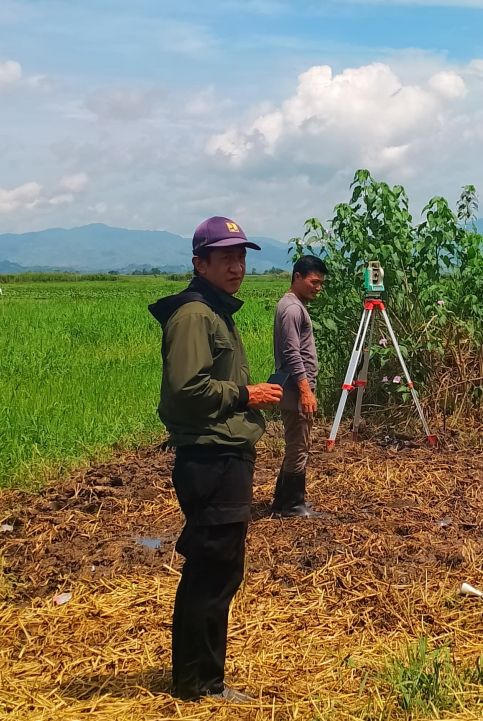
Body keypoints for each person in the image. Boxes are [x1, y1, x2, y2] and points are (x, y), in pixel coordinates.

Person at [147, 216, 283, 701]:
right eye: (226, 257)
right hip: (211, 456)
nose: (237, 266)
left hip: (224, 453)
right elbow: (186, 391)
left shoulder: (214, 312)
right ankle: (199, 683)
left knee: (215, 566)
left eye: (242, 256)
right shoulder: (195, 315)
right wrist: (245, 394)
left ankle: (198, 675)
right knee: (214, 568)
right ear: (199, 263)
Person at [270, 255, 329, 519]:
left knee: (295, 443)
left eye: (320, 283)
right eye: (314, 282)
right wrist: (306, 390)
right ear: (297, 277)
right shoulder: (293, 309)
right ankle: (293, 505)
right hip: (295, 389)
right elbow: (292, 352)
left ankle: (281, 501)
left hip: (294, 387)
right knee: (298, 446)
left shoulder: (290, 305)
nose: (318, 287)